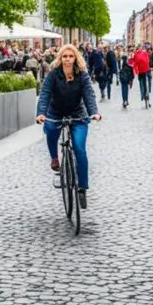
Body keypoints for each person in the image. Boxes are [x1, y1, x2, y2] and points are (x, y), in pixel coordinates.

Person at [35, 44, 102, 209]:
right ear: (60, 58)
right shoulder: (53, 75)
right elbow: (45, 94)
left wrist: (94, 112)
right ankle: (55, 158)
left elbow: (89, 94)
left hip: (78, 114)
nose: (67, 59)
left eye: (71, 56)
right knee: (50, 129)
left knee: (79, 148)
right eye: (64, 56)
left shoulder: (82, 75)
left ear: (75, 58)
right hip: (56, 112)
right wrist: (41, 113)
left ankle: (82, 188)